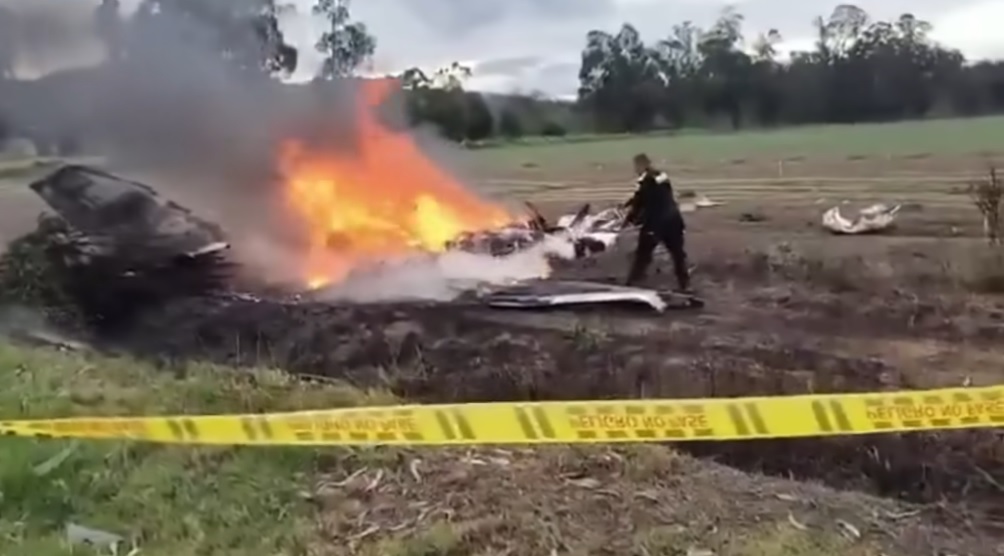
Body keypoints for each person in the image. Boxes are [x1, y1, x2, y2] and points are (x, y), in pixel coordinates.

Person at [622, 153, 691, 292]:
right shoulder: (661, 176)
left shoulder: (646, 180)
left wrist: (629, 219)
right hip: (674, 220)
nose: (636, 169)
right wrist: (630, 203)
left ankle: (632, 284)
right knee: (678, 254)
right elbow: (658, 193)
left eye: (636, 166)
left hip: (656, 223)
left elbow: (641, 201)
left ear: (641, 165)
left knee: (643, 254)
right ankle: (685, 285)